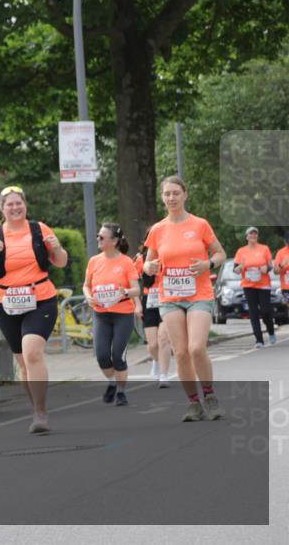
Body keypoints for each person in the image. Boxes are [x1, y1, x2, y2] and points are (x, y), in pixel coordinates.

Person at [0, 185, 68, 434]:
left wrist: (57, 248)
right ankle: (36, 407)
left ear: (25, 205)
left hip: (40, 299)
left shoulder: (39, 229)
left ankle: (41, 412)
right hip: (8, 303)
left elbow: (60, 261)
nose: (15, 208)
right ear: (1, 209)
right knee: (24, 364)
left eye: (19, 203)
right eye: (10, 204)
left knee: (32, 353)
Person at [143, 175, 226, 422]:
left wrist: (207, 264)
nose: (171, 198)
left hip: (199, 294)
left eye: (175, 193)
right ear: (162, 197)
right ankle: (193, 403)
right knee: (180, 353)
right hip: (170, 297)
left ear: (185, 195)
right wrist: (150, 267)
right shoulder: (157, 230)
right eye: (167, 194)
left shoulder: (200, 225)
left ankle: (209, 396)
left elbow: (221, 254)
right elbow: (148, 262)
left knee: (196, 348)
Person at [83, 223, 141, 406]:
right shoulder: (94, 261)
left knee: (117, 355)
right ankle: (112, 382)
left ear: (114, 241)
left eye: (102, 237)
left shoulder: (125, 262)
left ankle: (122, 392)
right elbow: (86, 285)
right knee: (101, 356)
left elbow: (136, 290)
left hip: (122, 314)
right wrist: (88, 296)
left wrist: (125, 292)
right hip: (101, 314)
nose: (98, 240)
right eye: (98, 236)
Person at [134, 239, 172, 388]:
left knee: (163, 338)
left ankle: (164, 374)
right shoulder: (140, 259)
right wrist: (137, 305)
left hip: (167, 300)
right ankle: (156, 360)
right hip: (149, 301)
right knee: (152, 344)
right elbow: (133, 282)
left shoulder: (169, 255)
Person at [233, 227, 276, 347]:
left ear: (257, 236)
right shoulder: (241, 251)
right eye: (251, 234)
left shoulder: (264, 249)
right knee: (253, 312)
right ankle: (259, 340)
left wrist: (265, 269)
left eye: (255, 234)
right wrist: (240, 268)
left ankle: (271, 331)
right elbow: (235, 269)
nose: (253, 236)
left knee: (265, 310)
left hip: (263, 285)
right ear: (246, 237)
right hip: (248, 285)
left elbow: (270, 266)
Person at [274, 232, 289, 307]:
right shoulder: (281, 253)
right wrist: (281, 265)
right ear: (285, 241)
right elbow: (275, 271)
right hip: (286, 288)